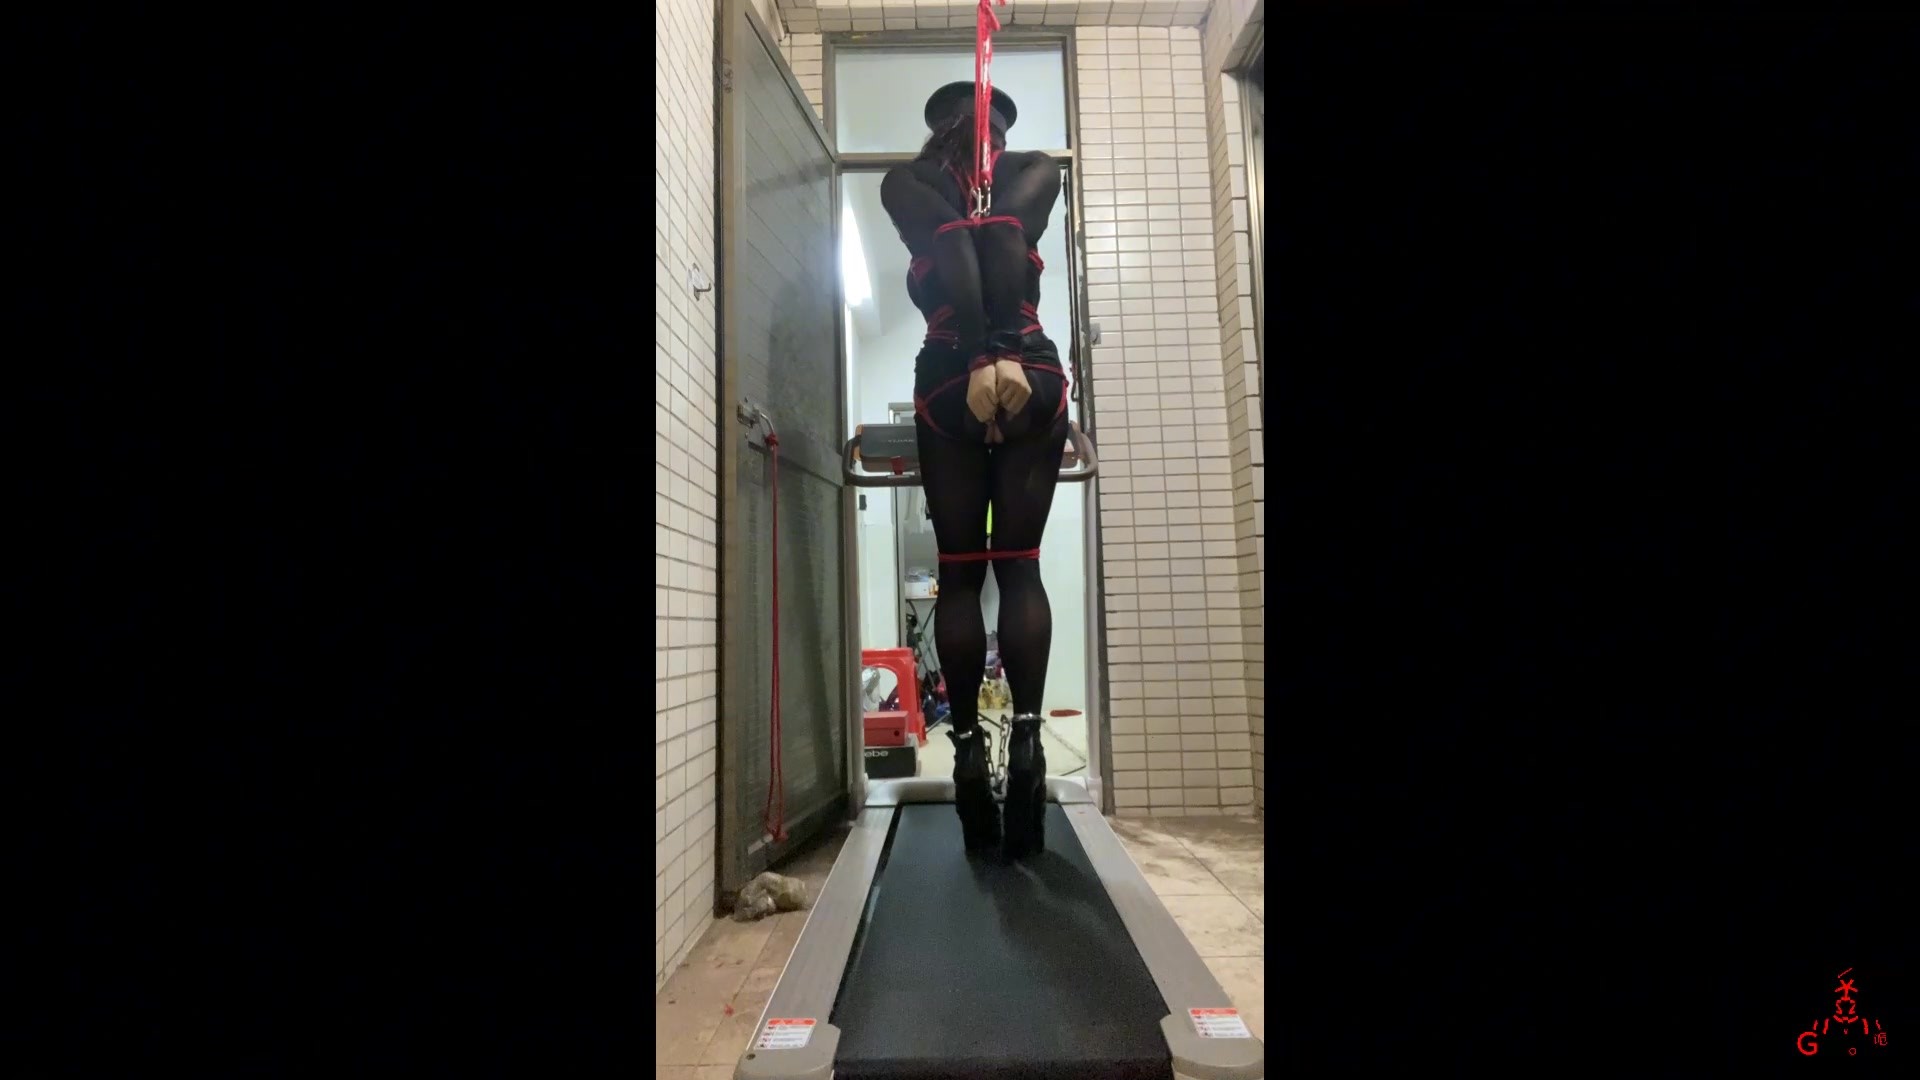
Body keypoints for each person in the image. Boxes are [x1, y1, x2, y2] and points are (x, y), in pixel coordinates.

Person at [881, 81, 1067, 860]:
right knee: (1019, 567)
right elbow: (1000, 239)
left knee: (960, 575)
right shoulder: (1035, 169)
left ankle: (964, 751)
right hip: (1031, 369)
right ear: (1000, 128)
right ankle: (1026, 741)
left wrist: (978, 356)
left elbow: (960, 242)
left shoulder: (907, 183)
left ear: (938, 129)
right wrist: (1008, 352)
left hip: (949, 376)